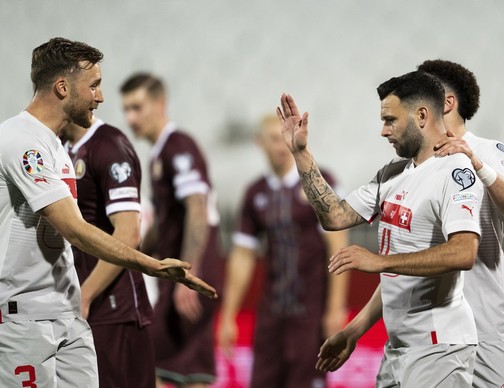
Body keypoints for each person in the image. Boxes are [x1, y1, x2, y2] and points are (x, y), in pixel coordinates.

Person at [0, 37, 216, 388]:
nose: (100, 97)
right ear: (61, 87)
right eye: (94, 86)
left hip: (68, 314)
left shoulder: (56, 146)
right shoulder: (20, 141)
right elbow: (74, 229)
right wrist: (153, 265)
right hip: (26, 319)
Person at [317, 60, 504, 388]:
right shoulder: (409, 169)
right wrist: (357, 327)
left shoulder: (488, 151)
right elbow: (403, 266)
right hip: (432, 335)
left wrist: (476, 163)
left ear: (445, 101)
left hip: (488, 324)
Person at [277, 71, 484, 387]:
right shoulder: (393, 174)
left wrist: (382, 261)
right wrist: (300, 153)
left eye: (390, 120)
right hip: (399, 348)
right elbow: (334, 216)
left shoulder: (455, 171)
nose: (383, 130)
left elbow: (464, 251)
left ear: (422, 116)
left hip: (441, 348)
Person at [217, 114, 350, 388]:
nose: (280, 146)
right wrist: (228, 315)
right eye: (273, 139)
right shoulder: (255, 192)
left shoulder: (319, 182)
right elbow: (242, 256)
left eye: (283, 139)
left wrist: (335, 308)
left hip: (311, 312)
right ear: (259, 143)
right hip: (271, 314)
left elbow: (338, 246)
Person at [120, 73, 222, 388]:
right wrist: (132, 257)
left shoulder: (178, 147)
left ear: (160, 104)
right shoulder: (159, 154)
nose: (130, 118)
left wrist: (186, 277)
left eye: (137, 107)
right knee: (184, 374)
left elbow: (197, 208)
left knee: (159, 369)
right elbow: (165, 224)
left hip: (188, 277)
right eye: (126, 109)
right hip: (179, 277)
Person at [61, 115, 156, 388]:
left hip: (115, 311)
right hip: (79, 309)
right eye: (93, 86)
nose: (99, 95)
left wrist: (85, 295)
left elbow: (128, 233)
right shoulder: (58, 147)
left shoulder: (109, 146)